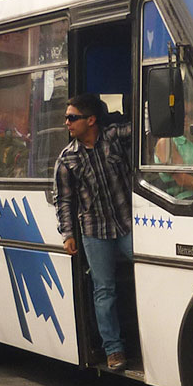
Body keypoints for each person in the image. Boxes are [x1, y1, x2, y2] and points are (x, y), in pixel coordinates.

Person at [53, 94, 133, 371]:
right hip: (94, 231)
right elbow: (63, 200)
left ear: (91, 120)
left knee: (152, 273)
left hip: (127, 224)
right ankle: (114, 350)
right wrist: (67, 234)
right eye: (66, 118)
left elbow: (149, 128)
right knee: (104, 290)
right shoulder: (67, 158)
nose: (67, 123)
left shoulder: (113, 136)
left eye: (72, 118)